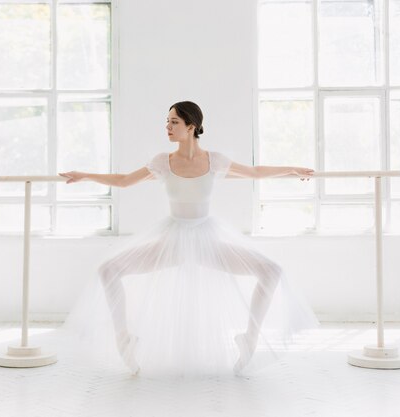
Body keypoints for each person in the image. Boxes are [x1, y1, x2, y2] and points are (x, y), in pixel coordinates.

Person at [56, 101, 320, 377]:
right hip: (172, 242)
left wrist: (293, 169)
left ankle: (249, 338)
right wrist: (84, 175)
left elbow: (254, 172)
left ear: (191, 126)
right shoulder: (162, 162)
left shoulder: (214, 161)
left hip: (207, 241)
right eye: (167, 122)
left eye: (174, 122)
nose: (167, 127)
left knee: (271, 270)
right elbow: (123, 180)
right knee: (108, 269)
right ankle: (124, 338)